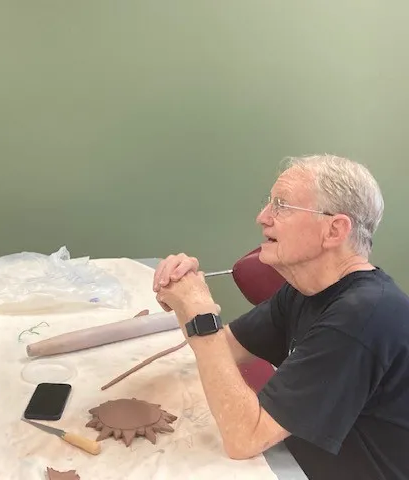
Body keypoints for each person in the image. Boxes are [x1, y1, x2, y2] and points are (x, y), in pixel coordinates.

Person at [153, 154, 409, 480]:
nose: (262, 217)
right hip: (294, 460)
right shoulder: (306, 288)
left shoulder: (363, 316)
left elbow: (244, 438)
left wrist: (200, 311)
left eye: (282, 206)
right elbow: (223, 349)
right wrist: (184, 302)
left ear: (334, 230)